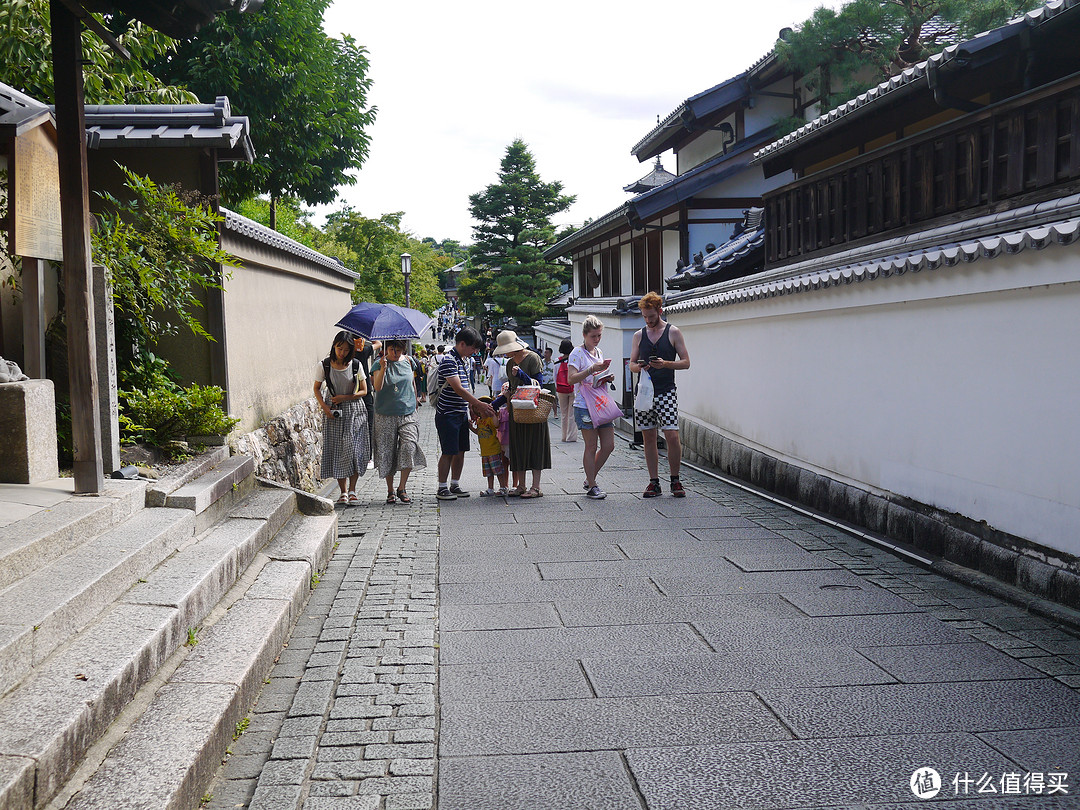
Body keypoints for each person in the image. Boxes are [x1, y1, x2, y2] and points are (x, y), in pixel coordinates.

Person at [629, 292, 691, 498]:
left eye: (651, 317)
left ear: (660, 311)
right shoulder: (639, 335)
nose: (648, 321)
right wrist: (640, 367)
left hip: (666, 390)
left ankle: (675, 479)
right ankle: (653, 481)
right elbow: (631, 364)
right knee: (649, 436)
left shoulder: (673, 332)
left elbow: (686, 362)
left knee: (672, 435)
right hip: (644, 392)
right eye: (645, 317)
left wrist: (665, 364)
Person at [434, 327, 495, 501]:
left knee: (460, 450)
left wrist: (471, 408)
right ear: (462, 344)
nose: (475, 352)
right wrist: (479, 405)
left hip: (460, 412)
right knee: (448, 451)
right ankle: (442, 487)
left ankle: (455, 483)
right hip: (447, 413)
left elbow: (466, 388)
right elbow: (458, 388)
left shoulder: (463, 360)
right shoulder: (448, 361)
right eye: (473, 348)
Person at [314, 331, 371, 504]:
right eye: (339, 348)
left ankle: (353, 490)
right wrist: (325, 408)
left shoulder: (355, 365)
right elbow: (316, 388)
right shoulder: (324, 365)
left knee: (354, 449)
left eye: (346, 350)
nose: (342, 353)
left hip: (355, 410)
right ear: (334, 345)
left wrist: (345, 397)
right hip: (334, 411)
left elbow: (364, 390)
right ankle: (343, 492)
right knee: (339, 451)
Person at [494, 330, 551, 499]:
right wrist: (492, 406)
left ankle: (536, 487)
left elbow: (537, 385)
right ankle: (521, 485)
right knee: (518, 447)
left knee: (535, 445)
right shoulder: (510, 363)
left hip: (533, 410)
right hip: (516, 411)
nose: (505, 352)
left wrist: (521, 374)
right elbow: (511, 391)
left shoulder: (533, 358)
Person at [369, 339, 427, 505]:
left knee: (409, 445)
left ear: (403, 349)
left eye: (399, 349)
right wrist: (383, 368)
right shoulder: (378, 364)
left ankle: (402, 487)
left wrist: (416, 400)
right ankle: (390, 490)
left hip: (408, 412)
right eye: (392, 349)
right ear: (386, 349)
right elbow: (378, 387)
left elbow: (412, 383)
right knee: (387, 451)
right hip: (385, 414)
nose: (395, 352)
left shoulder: (409, 361)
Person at [567, 316, 616, 500]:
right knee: (591, 445)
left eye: (599, 335)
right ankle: (592, 485)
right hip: (584, 404)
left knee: (609, 445)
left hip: (600, 402)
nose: (597, 339)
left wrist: (606, 376)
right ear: (584, 335)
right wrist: (591, 370)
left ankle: (590, 477)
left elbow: (597, 375)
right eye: (593, 336)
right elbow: (571, 379)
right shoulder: (576, 353)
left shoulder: (599, 352)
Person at [470, 395, 509, 497]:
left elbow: (496, 425)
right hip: (485, 452)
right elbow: (479, 432)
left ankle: (503, 487)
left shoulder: (490, 419)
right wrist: (470, 427)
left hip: (493, 450)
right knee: (488, 472)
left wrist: (492, 415)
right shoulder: (479, 421)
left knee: (498, 470)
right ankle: (490, 488)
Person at [351, 334, 380, 468]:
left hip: (350, 391)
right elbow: (378, 343)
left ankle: (353, 456)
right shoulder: (364, 350)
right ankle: (367, 458)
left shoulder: (348, 351)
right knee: (368, 423)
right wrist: (370, 335)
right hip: (365, 390)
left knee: (351, 424)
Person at [554, 338, 578, 443]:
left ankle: (563, 436)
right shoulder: (574, 360)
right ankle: (571, 437)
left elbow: (554, 376)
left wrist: (557, 388)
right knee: (572, 414)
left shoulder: (557, 361)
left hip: (561, 389)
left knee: (563, 414)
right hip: (572, 389)